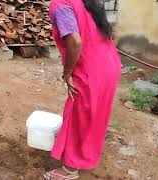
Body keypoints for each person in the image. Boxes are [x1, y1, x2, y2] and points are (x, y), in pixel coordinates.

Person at [44, 0, 121, 179]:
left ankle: (69, 170)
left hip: (90, 70)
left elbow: (74, 41)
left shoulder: (60, 3)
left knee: (78, 117)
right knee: (95, 115)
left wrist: (67, 72)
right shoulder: (85, 1)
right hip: (109, 64)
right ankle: (87, 155)